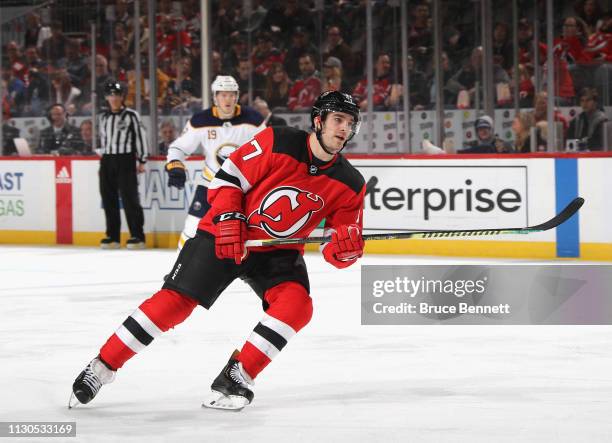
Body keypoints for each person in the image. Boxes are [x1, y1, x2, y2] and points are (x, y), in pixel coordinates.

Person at [69, 91, 366, 411]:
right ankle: (102, 366)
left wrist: (344, 249)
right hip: (226, 233)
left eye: (349, 123)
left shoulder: (351, 182)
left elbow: (340, 240)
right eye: (338, 120)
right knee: (175, 304)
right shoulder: (277, 141)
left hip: (277, 250)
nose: (343, 129)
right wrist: (228, 217)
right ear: (319, 120)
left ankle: (237, 374)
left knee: (297, 306)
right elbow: (227, 179)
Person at [165, 75, 265, 249]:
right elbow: (178, 148)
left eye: (232, 94)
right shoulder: (200, 121)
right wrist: (175, 164)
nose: (228, 99)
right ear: (215, 97)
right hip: (210, 186)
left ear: (237, 96)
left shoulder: (254, 120)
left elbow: (268, 150)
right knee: (191, 229)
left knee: (249, 232)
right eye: (223, 95)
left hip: (243, 188)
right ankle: (180, 271)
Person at [98, 81, 149, 249]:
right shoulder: (103, 117)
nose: (114, 98)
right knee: (108, 198)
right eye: (110, 95)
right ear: (106, 97)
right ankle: (113, 236)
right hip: (107, 159)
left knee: (130, 198)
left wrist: (142, 160)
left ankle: (137, 235)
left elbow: (140, 137)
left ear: (122, 97)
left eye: (117, 95)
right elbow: (103, 139)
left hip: (125, 159)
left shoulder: (131, 115)